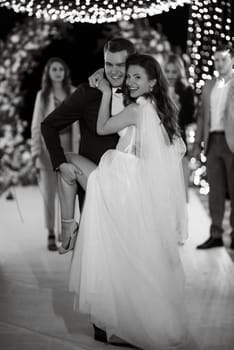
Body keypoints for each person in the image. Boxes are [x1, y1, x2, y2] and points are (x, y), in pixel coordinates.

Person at [58, 53, 189, 349]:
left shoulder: (138, 109)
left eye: (137, 77)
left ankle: (68, 226)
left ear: (153, 82)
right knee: (121, 257)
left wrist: (105, 93)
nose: (129, 81)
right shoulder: (161, 111)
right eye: (128, 76)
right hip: (137, 188)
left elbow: (103, 127)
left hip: (121, 182)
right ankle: (126, 319)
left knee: (66, 160)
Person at [41, 38, 135, 343]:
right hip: (93, 181)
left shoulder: (141, 92)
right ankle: (98, 320)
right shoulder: (88, 92)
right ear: (103, 62)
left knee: (125, 254)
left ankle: (123, 316)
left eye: (121, 65)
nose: (114, 71)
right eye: (109, 64)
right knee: (94, 250)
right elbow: (49, 125)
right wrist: (59, 163)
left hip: (130, 185)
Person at [31, 57, 78, 251]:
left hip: (68, 145)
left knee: (66, 191)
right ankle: (51, 231)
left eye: (61, 69)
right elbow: (36, 125)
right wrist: (35, 151)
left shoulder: (73, 92)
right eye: (54, 69)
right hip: (47, 148)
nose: (58, 72)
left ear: (65, 72)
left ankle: (65, 230)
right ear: (48, 73)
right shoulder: (43, 96)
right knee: (49, 193)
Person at [193, 44, 234, 250]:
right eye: (216, 60)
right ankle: (216, 234)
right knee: (215, 191)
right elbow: (202, 117)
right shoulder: (209, 85)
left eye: (223, 59)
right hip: (213, 142)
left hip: (232, 142)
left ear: (232, 60)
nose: (219, 63)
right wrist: (197, 144)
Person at [164, 53, 195, 201]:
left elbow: (189, 119)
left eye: (174, 71)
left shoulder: (187, 91)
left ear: (180, 71)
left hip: (178, 142)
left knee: (180, 193)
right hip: (159, 142)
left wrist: (177, 108)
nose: (170, 75)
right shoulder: (158, 91)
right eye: (167, 71)